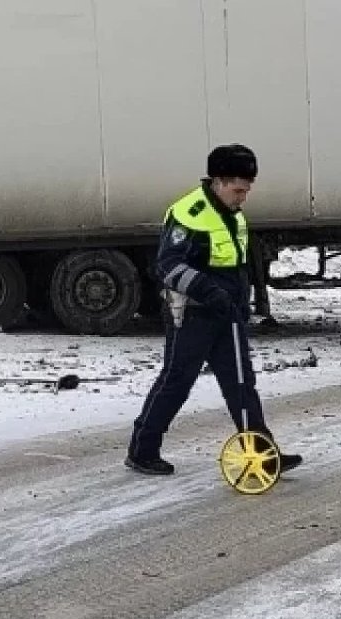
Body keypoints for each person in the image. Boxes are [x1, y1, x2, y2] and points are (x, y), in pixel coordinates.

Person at [126, 144, 302, 476]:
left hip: (228, 312)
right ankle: (142, 450)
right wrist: (211, 293)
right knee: (176, 381)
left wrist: (242, 299)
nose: (243, 197)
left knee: (241, 383)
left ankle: (261, 454)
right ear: (218, 181)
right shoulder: (188, 213)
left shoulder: (234, 214)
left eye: (247, 190)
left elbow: (237, 265)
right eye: (238, 189)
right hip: (192, 314)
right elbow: (168, 267)